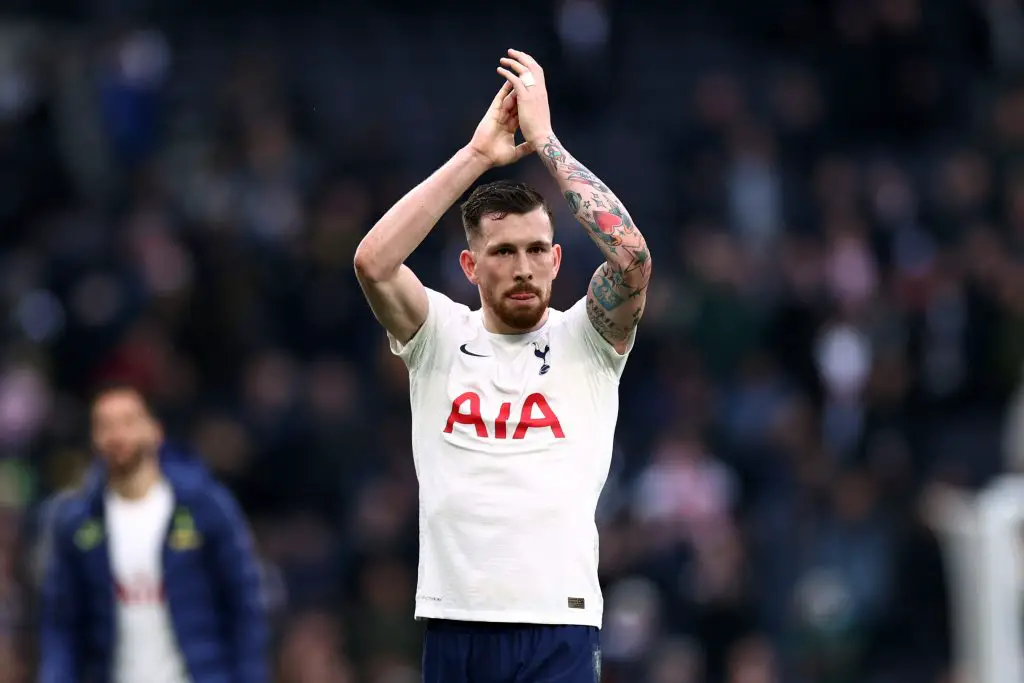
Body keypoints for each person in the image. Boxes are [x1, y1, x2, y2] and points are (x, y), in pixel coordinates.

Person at [353, 49, 652, 683]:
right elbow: (373, 262)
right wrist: (478, 157)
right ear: (470, 266)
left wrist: (544, 142)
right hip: (454, 620)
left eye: (536, 249)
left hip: (560, 624)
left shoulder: (588, 340)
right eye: (503, 250)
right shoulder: (437, 334)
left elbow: (631, 258)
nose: (521, 265)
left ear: (556, 260)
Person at [38, 383, 269, 683]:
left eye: (128, 422)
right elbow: (62, 626)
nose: (117, 435)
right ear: (94, 438)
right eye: (105, 425)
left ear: (155, 430)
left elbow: (244, 604)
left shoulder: (204, 507)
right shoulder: (78, 524)